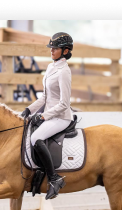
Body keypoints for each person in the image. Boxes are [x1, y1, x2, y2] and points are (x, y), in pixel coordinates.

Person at [21, 32, 74, 200]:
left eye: (55, 48)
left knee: (36, 138)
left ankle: (54, 178)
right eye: (51, 47)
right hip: (50, 114)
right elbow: (45, 97)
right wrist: (29, 110)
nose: (51, 50)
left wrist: (43, 116)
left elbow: (64, 103)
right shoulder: (52, 67)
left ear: (65, 51)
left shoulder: (64, 72)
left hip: (61, 117)